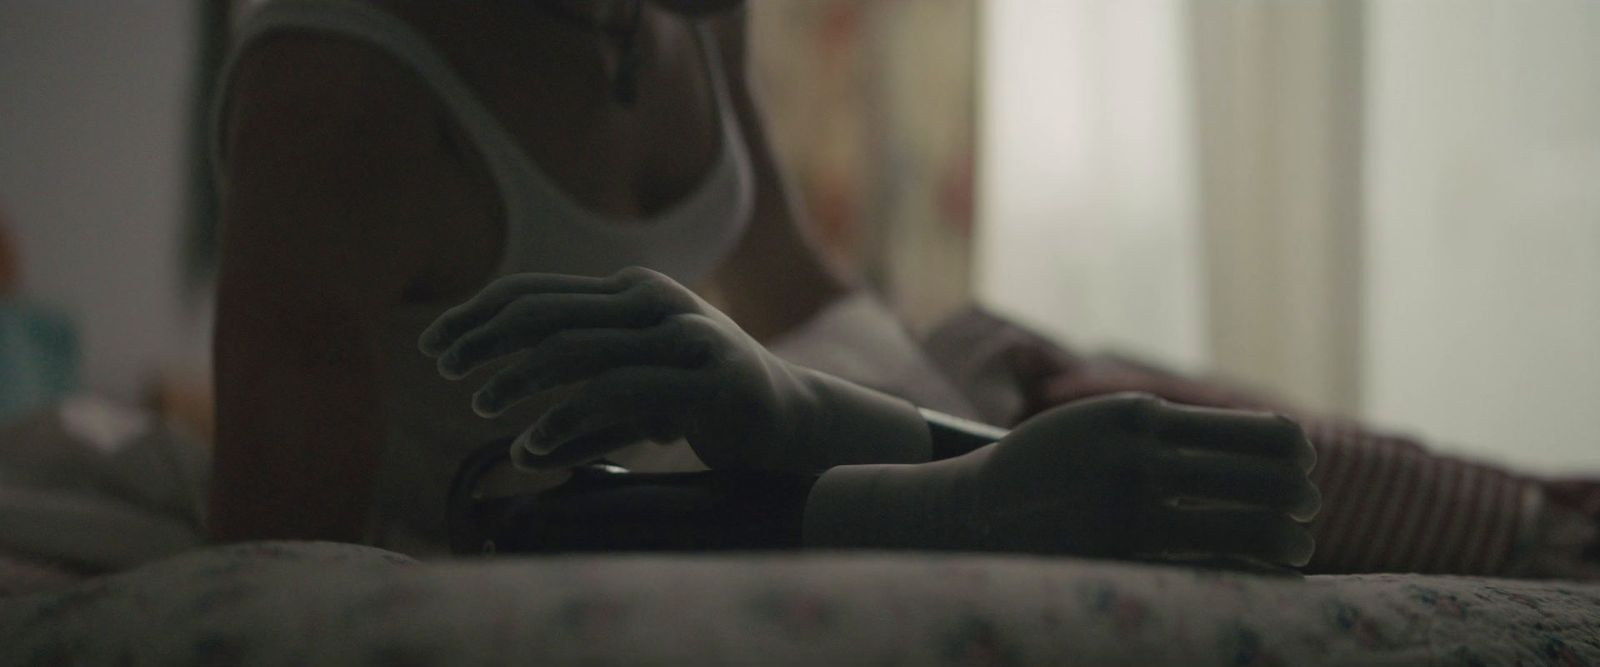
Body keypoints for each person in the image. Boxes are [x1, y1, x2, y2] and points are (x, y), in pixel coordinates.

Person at [210, 0, 1317, 565]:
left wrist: (973, 439)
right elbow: (288, 571)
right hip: (498, 533)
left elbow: (788, 278)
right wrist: (964, 497)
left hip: (724, 476)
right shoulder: (341, 95)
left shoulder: (682, 20)